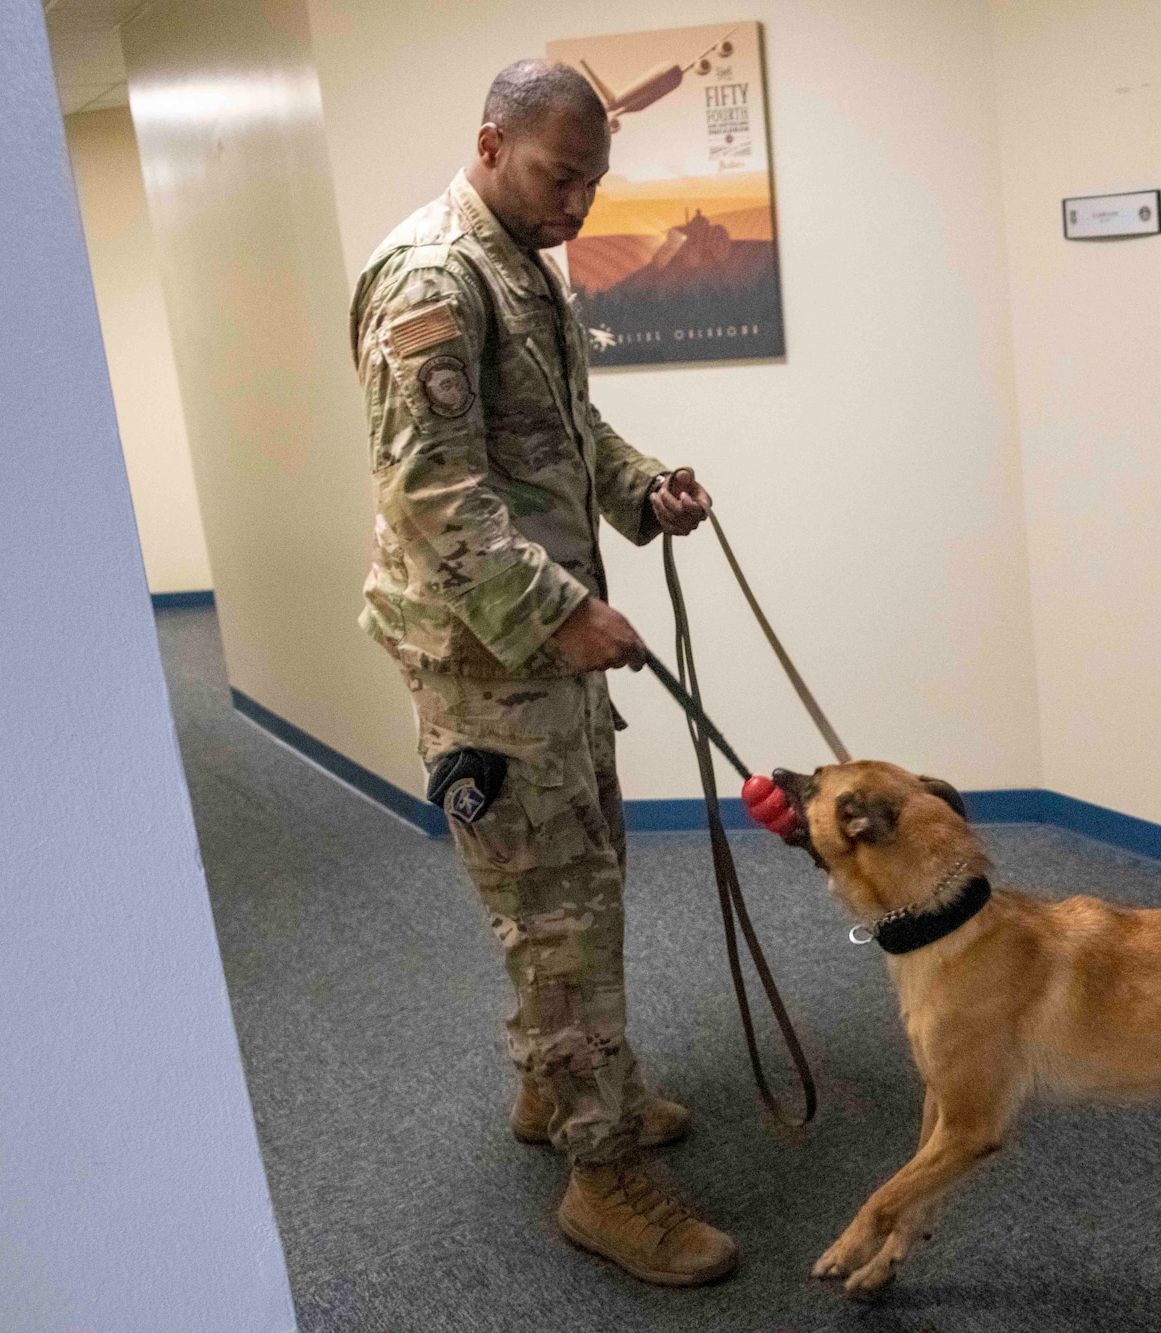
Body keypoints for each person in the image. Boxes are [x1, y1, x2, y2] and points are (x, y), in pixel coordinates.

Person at [348, 59, 736, 1287]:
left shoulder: (523, 266)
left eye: (593, 182)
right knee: (560, 907)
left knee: (572, 874)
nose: (578, 204)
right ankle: (602, 1173)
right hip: (489, 662)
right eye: (560, 176)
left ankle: (547, 1084)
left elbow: (565, 432)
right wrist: (560, 615)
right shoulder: (432, 277)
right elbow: (431, 492)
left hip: (538, 648)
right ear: (491, 143)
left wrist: (640, 490)